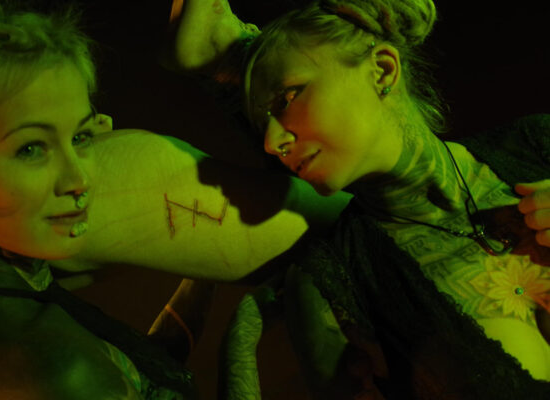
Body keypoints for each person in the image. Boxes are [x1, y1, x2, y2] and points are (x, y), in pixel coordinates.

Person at [0, 1, 350, 398]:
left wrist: (206, 300)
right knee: (347, 229)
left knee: (341, 228)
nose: (77, 177)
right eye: (33, 147)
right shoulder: (33, 352)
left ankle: (229, 59)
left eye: (80, 135)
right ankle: (229, 57)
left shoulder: (16, 304)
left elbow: (135, 368)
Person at [166, 0, 550, 398]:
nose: (272, 142)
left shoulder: (538, 145)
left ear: (382, 69)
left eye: (286, 99)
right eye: (263, 125)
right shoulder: (334, 286)